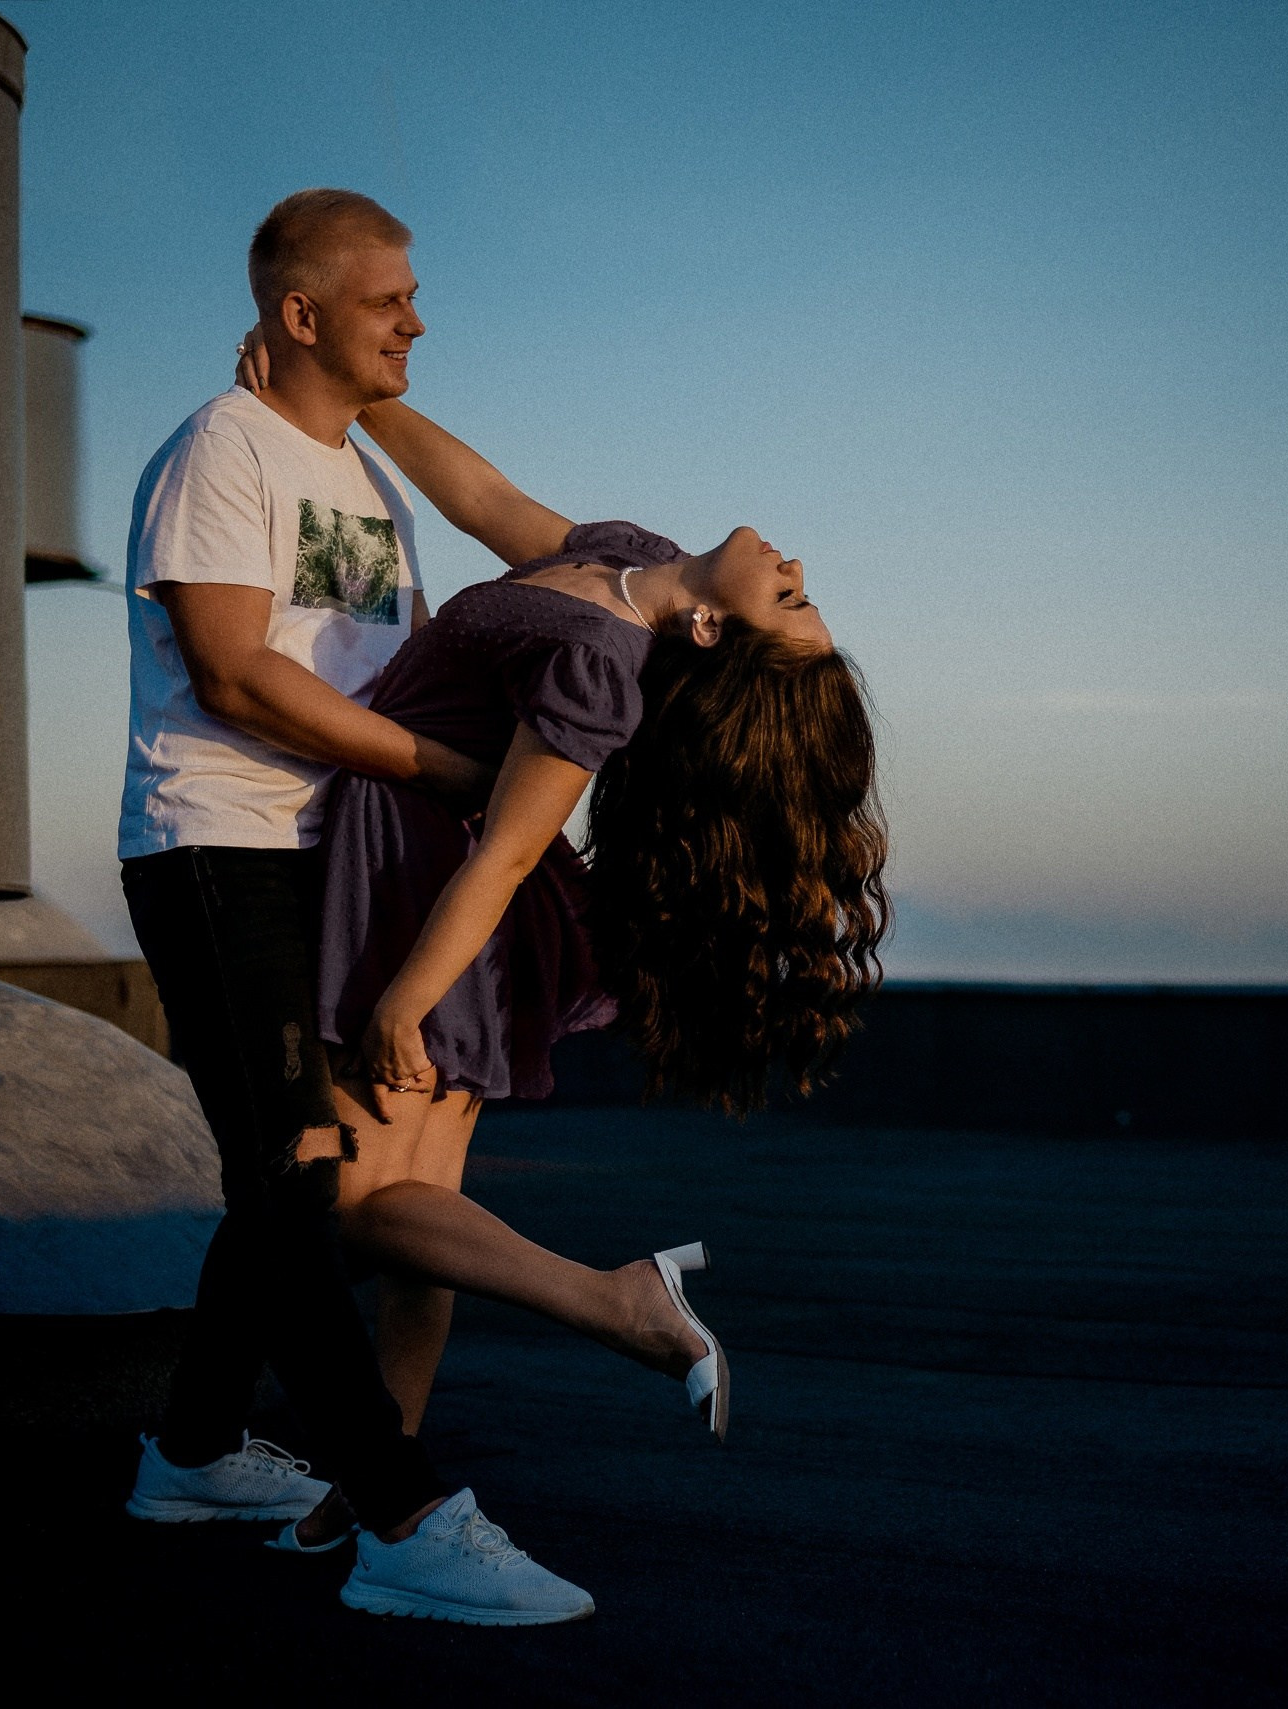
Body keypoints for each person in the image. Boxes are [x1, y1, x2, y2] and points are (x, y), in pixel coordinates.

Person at [228, 348, 889, 1564]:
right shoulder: (629, 559)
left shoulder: (602, 665)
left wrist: (404, 1000)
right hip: (425, 880)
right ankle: (369, 1483)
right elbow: (486, 501)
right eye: (800, 589)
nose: (796, 569)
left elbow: (503, 855)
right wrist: (356, 393)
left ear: (708, 626)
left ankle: (615, 1300)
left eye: (790, 600)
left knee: (364, 1209)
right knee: (423, 1204)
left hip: (423, 898)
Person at [117, 188, 600, 1627]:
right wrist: (455, 769)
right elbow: (234, 674)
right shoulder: (224, 445)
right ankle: (403, 1518)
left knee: (301, 1180)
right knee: (296, 1172)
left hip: (338, 867)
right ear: (299, 312)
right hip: (223, 851)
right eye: (390, 297)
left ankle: (194, 1453)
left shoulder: (366, 481)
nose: (419, 317)